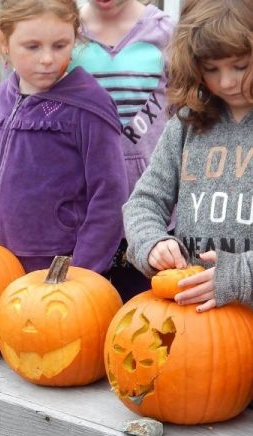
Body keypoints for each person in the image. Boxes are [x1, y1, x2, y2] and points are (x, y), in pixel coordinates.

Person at [0, 0, 128, 275]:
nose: (47, 59)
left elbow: (110, 197)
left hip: (54, 273)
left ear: (75, 38)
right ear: (3, 40)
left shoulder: (88, 106)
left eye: (60, 46)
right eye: (32, 47)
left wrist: (81, 273)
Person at [123, 0, 253, 312]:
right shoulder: (186, 124)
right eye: (211, 69)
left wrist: (240, 275)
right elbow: (144, 202)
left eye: (240, 66)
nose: (226, 82)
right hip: (194, 318)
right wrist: (153, 243)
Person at [69, 0, 175, 301]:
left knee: (146, 315)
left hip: (150, 210)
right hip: (85, 206)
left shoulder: (165, 32)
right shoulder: (67, 33)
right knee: (83, 311)